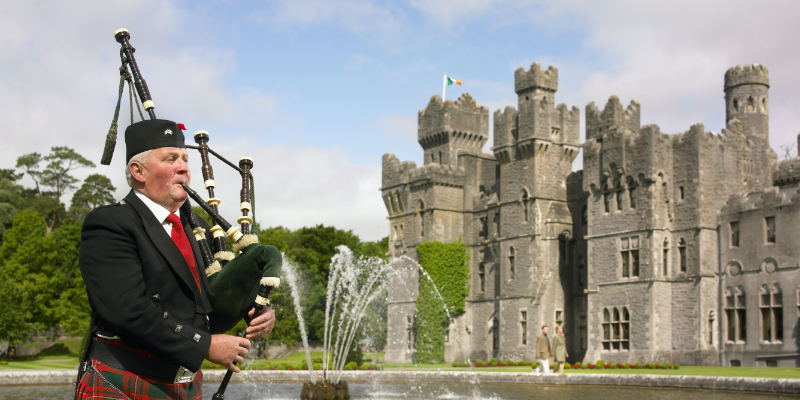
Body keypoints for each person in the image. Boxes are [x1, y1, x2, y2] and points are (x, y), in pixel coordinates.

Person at [75, 119, 276, 399]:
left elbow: (213, 299)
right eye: (171, 159)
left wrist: (257, 309)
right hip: (122, 383)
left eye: (185, 159)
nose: (183, 167)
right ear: (138, 171)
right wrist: (204, 346)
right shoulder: (110, 224)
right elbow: (128, 311)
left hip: (185, 386)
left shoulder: (200, 230)